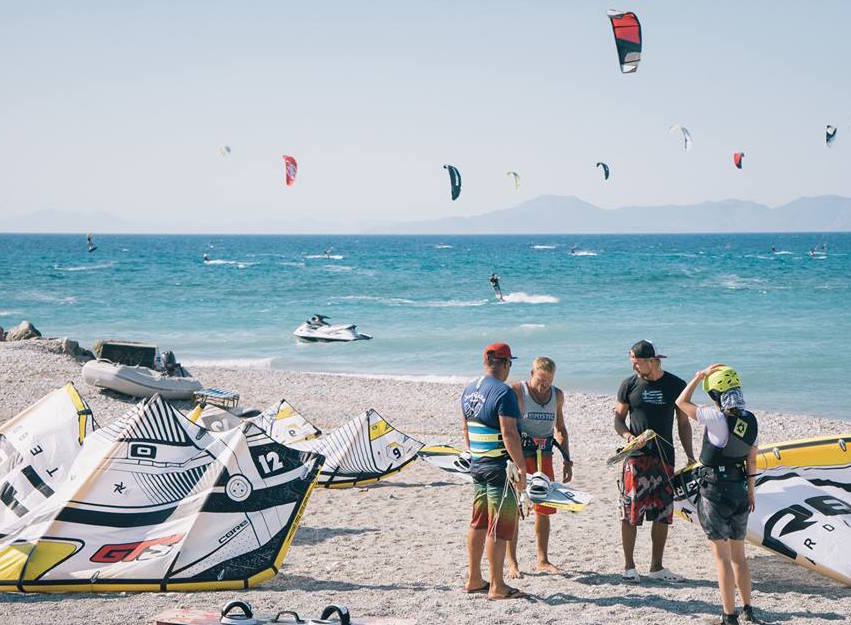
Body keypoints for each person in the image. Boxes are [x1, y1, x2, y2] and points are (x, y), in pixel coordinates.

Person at [676, 365, 759, 625]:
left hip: (715, 493)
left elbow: (681, 402)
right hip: (740, 492)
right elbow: (752, 461)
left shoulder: (714, 417)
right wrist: (751, 492)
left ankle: (728, 615)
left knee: (722, 558)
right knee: (739, 557)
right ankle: (748, 609)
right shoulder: (751, 420)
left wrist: (698, 376)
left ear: (716, 393)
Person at [614, 339, 695, 583]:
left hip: (664, 457)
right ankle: (629, 567)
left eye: (636, 362)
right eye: (632, 361)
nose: (634, 366)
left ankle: (657, 567)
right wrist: (628, 436)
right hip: (636, 459)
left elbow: (683, 423)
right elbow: (618, 419)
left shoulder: (675, 385)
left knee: (663, 514)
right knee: (630, 513)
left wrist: (690, 455)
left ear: (652, 361)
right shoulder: (628, 385)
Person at [462, 342, 527, 600]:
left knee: (478, 522)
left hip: (477, 464)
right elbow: (509, 432)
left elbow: (466, 431)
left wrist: (478, 455)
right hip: (499, 467)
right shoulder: (504, 393)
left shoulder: (468, 390)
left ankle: (474, 578)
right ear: (506, 363)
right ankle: (497, 585)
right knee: (499, 526)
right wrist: (521, 467)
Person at [506, 356, 572, 577]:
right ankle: (513, 563)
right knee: (514, 510)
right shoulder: (517, 391)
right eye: (541, 381)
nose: (544, 386)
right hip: (520, 456)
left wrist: (567, 458)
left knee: (543, 510)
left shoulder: (557, 395)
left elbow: (560, 429)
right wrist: (517, 464)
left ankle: (542, 560)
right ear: (531, 374)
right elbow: (507, 428)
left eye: (549, 382)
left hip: (545, 455)